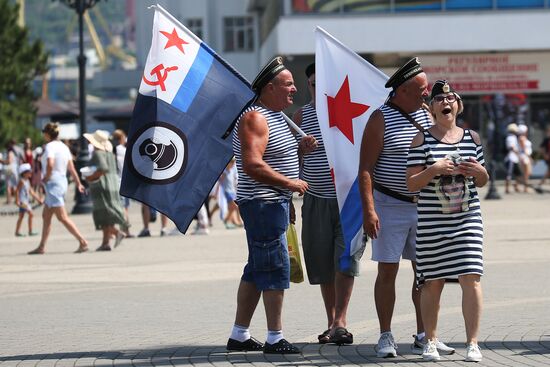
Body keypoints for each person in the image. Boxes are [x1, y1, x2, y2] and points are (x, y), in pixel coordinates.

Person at [358, 58, 454, 357]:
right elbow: (365, 169)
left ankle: (426, 334)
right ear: (402, 90)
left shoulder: (428, 116)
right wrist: (369, 210)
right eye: (422, 89)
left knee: (426, 273)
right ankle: (386, 335)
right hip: (390, 205)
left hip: (425, 206)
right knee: (387, 271)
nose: (428, 94)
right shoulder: (380, 119)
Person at [226, 56, 316, 354]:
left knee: (256, 269)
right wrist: (290, 184)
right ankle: (275, 338)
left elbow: (278, 160)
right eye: (288, 84)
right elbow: (252, 165)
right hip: (262, 204)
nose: (294, 89)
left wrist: (299, 152)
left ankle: (239, 335)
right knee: (275, 268)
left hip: (273, 203)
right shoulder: (256, 117)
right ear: (269, 87)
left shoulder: (277, 115)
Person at [406, 80, 488, 362]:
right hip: (432, 223)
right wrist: (435, 169)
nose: (445, 102)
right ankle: (430, 340)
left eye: (450, 98)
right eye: (439, 99)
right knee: (432, 282)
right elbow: (412, 184)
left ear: (458, 106)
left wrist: (478, 170)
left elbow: (484, 180)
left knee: (471, 278)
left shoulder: (472, 138)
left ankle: (473, 343)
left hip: (467, 220)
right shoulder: (421, 140)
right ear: (432, 108)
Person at [292, 63, 357, 345]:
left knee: (345, 260)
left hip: (347, 199)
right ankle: (332, 321)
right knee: (322, 262)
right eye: (313, 84)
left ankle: (341, 320)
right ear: (308, 86)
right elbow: (292, 163)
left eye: (323, 84)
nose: (318, 89)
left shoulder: (351, 111)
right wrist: (300, 151)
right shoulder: (300, 116)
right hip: (315, 199)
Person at [28, 122, 88, 255]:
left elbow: (50, 163)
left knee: (62, 217)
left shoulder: (49, 147)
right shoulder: (64, 147)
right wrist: (78, 183)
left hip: (53, 183)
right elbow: (71, 168)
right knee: (46, 216)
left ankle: (82, 241)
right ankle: (42, 246)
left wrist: (46, 177)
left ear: (47, 134)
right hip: (61, 181)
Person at [83, 130, 128, 251]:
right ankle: (105, 243)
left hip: (102, 185)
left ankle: (117, 233)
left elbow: (102, 169)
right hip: (112, 184)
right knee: (108, 215)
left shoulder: (98, 154)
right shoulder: (110, 154)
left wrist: (89, 177)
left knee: (103, 214)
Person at [111, 129, 133, 237]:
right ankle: (126, 231)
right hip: (123, 181)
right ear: (121, 138)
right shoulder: (123, 150)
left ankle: (120, 230)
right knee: (124, 208)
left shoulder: (111, 149)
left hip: (114, 180)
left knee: (119, 207)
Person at [15, 163, 43, 237]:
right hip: (23, 201)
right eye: (29, 172)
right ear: (24, 173)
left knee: (21, 216)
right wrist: (17, 200)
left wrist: (38, 199)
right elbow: (17, 191)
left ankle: (17, 231)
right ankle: (30, 231)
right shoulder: (22, 181)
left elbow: (31, 192)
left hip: (26, 201)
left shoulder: (27, 181)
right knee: (31, 214)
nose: (31, 173)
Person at [504, 123, 521, 194]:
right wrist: (517, 153)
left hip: (514, 158)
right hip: (511, 158)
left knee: (518, 173)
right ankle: (507, 188)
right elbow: (512, 147)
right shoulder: (510, 137)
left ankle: (516, 186)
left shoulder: (513, 137)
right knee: (509, 174)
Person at [517, 124, 533, 192]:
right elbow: (524, 149)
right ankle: (525, 187)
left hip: (525, 156)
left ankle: (517, 184)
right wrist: (529, 157)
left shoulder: (522, 138)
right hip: (524, 157)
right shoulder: (522, 138)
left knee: (527, 173)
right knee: (526, 173)